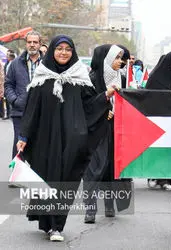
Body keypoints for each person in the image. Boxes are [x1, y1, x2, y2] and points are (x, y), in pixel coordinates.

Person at [16, 35, 117, 241]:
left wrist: (105, 96)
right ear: (52, 50)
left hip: (72, 140)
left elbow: (90, 105)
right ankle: (47, 222)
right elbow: (31, 110)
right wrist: (24, 135)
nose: (63, 52)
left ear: (73, 53)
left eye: (68, 49)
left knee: (66, 179)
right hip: (44, 139)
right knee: (46, 179)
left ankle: (57, 226)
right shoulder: (42, 77)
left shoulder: (79, 77)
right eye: (59, 48)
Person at [83, 44, 126, 224]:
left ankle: (110, 204)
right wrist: (104, 107)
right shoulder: (92, 79)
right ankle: (90, 208)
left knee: (111, 168)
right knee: (94, 168)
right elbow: (86, 105)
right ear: (106, 59)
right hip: (96, 130)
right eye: (116, 58)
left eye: (120, 58)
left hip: (115, 129)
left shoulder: (119, 77)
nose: (120, 62)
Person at [145, 51, 171, 191]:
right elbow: (149, 99)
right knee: (159, 151)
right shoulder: (155, 79)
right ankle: (156, 177)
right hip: (157, 120)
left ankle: (168, 178)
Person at [4, 31, 42, 159]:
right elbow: (8, 85)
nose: (32, 45)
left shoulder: (47, 64)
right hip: (20, 113)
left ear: (40, 44)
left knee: (39, 151)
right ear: (26, 44)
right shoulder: (16, 63)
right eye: (29, 42)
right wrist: (15, 100)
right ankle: (16, 177)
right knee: (19, 149)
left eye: (35, 42)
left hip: (42, 114)